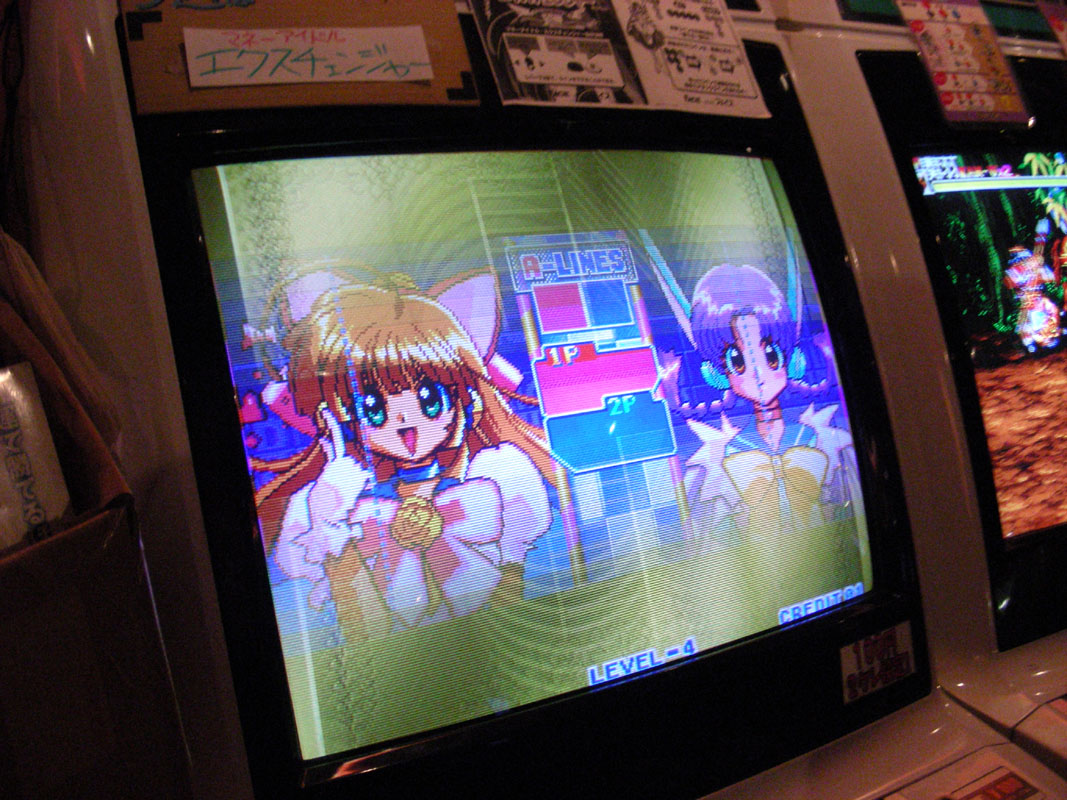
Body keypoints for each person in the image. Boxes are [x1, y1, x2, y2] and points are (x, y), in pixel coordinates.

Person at [254, 267, 557, 641]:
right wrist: (334, 524)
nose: (404, 423)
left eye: (430, 399)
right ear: (335, 415)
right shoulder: (327, 506)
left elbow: (514, 612)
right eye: (373, 407)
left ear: (467, 397)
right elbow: (366, 636)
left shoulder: (500, 477)